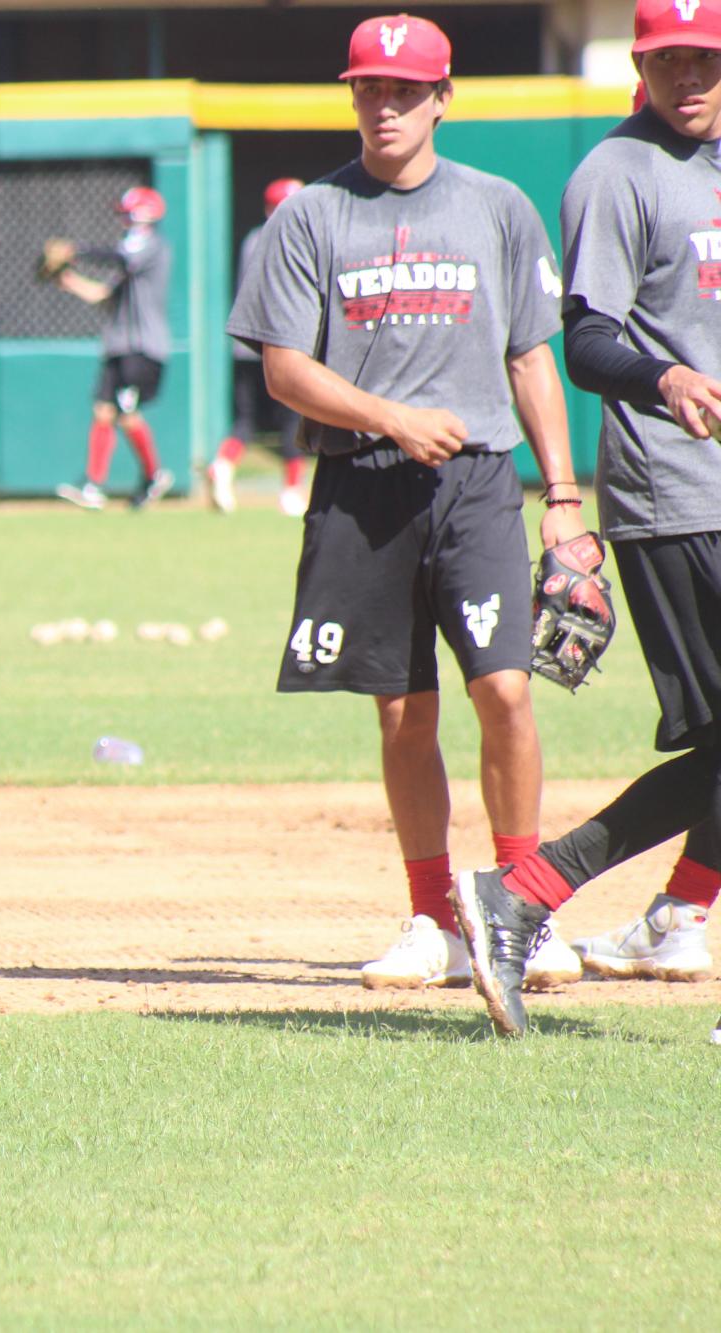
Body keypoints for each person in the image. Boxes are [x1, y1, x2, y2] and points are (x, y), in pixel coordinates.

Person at [225, 12, 587, 994]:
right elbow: (283, 371)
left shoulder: (496, 207)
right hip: (361, 485)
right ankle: (431, 917)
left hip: (475, 480)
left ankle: (519, 902)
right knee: (400, 711)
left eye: (401, 90)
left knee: (504, 690)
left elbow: (528, 356)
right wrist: (387, 416)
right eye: (366, 89)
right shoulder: (310, 215)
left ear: (440, 98)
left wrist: (560, 493)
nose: (381, 106)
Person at [454, 0, 721, 1035]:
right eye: (669, 61)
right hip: (672, 490)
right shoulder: (614, 174)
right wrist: (663, 377)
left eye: (703, 59)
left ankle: (604, 902)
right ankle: (548, 894)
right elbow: (586, 340)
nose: (687, 78)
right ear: (639, 66)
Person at [51, 186, 176, 511]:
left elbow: (122, 257)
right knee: (104, 412)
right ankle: (93, 484)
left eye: (126, 211)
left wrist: (76, 251)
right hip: (119, 345)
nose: (121, 217)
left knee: (126, 412)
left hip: (143, 346)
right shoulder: (130, 259)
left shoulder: (154, 247)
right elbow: (104, 297)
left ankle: (154, 474)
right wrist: (67, 281)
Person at [208, 178, 312, 517]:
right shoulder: (289, 236)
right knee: (292, 420)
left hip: (246, 347)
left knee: (246, 420)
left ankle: (223, 465)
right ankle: (291, 492)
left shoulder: (253, 237)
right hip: (281, 345)